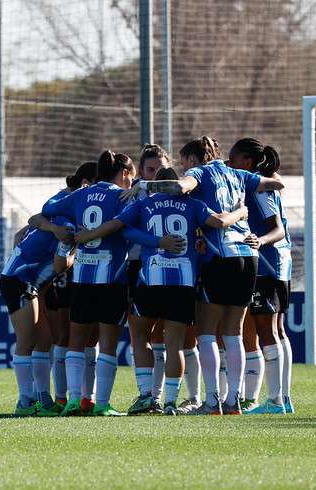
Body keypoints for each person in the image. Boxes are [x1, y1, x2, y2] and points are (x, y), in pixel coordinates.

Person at [123, 136, 284, 415]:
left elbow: (181, 186)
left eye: (185, 163)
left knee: (207, 333)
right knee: (234, 333)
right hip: (248, 255)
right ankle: (234, 400)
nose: (185, 168)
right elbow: (274, 184)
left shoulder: (199, 173)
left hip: (219, 258)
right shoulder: (238, 174)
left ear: (194, 161)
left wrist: (152, 185)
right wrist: (245, 206)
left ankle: (211, 401)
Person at [76, 166, 249, 415]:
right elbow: (218, 222)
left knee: (140, 337)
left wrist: (155, 241)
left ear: (156, 183)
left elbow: (121, 227)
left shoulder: (146, 203)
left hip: (151, 280)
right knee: (175, 344)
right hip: (183, 283)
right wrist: (241, 212)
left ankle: (148, 396)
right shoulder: (193, 204)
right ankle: (170, 402)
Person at [30, 150, 183, 416]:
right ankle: (101, 404)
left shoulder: (80, 194)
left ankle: (75, 401)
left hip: (82, 277)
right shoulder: (121, 197)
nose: (131, 183)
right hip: (112, 278)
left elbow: (47, 211)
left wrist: (57, 228)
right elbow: (128, 228)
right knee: (107, 343)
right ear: (124, 173)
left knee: (76, 341)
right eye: (131, 176)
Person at [228, 138, 294, 415]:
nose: (230, 164)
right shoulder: (261, 182)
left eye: (233, 159)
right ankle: (283, 398)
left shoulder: (258, 187)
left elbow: (277, 228)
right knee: (277, 331)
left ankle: (276, 401)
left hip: (268, 265)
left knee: (267, 332)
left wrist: (260, 241)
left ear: (247, 161)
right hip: (279, 264)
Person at [0, 202, 75, 417]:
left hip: (31, 284)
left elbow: (22, 232)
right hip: (20, 281)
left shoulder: (54, 218)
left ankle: (43, 398)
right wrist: (76, 246)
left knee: (45, 340)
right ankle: (25, 401)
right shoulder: (68, 225)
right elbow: (61, 265)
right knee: (26, 341)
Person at [43, 162, 97, 409]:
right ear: (86, 183)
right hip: (63, 274)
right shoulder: (66, 201)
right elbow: (40, 217)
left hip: (83, 273)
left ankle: (87, 397)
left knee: (88, 337)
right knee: (64, 337)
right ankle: (62, 397)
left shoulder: (83, 201)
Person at [125, 144, 173, 415]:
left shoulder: (180, 193)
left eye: (159, 169)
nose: (155, 174)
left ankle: (159, 397)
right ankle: (148, 397)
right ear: (141, 171)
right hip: (138, 267)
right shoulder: (135, 194)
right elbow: (125, 229)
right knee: (139, 333)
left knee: (166, 336)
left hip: (174, 269)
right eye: (150, 169)